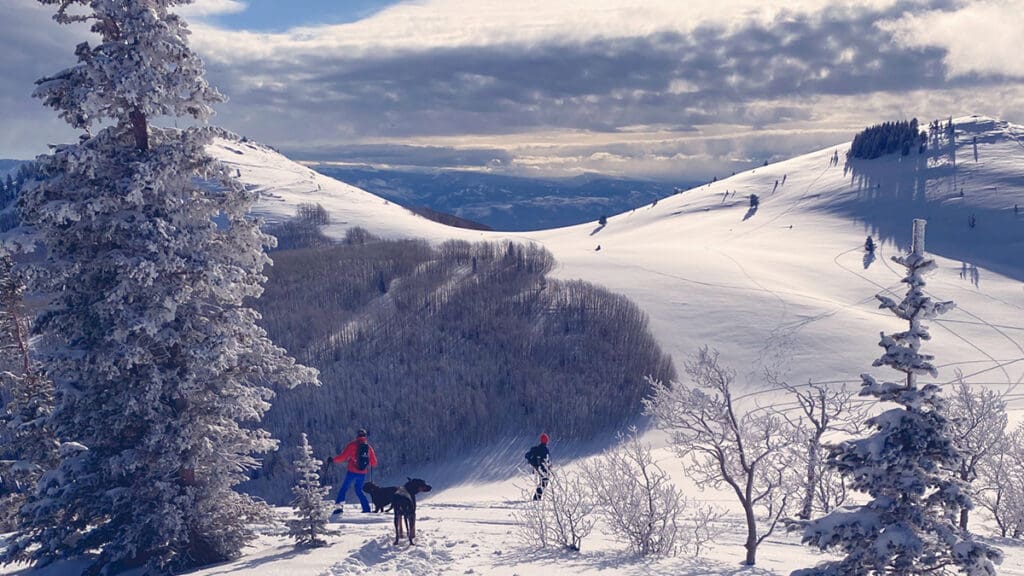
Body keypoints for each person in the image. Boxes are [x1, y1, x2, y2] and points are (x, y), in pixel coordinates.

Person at [331, 428, 378, 515]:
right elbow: (374, 463)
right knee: (359, 490)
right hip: (362, 473)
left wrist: (333, 460)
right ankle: (366, 508)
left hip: (352, 471)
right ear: (365, 436)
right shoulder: (368, 447)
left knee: (344, 488)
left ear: (357, 436)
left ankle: (339, 508)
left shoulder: (352, 445)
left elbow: (343, 457)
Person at [524, 433, 551, 500]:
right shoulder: (544, 449)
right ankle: (537, 497)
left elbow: (527, 455)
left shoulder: (537, 448)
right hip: (543, 468)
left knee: (543, 482)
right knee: (544, 482)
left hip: (539, 468)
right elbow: (545, 460)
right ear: (547, 440)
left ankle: (537, 497)